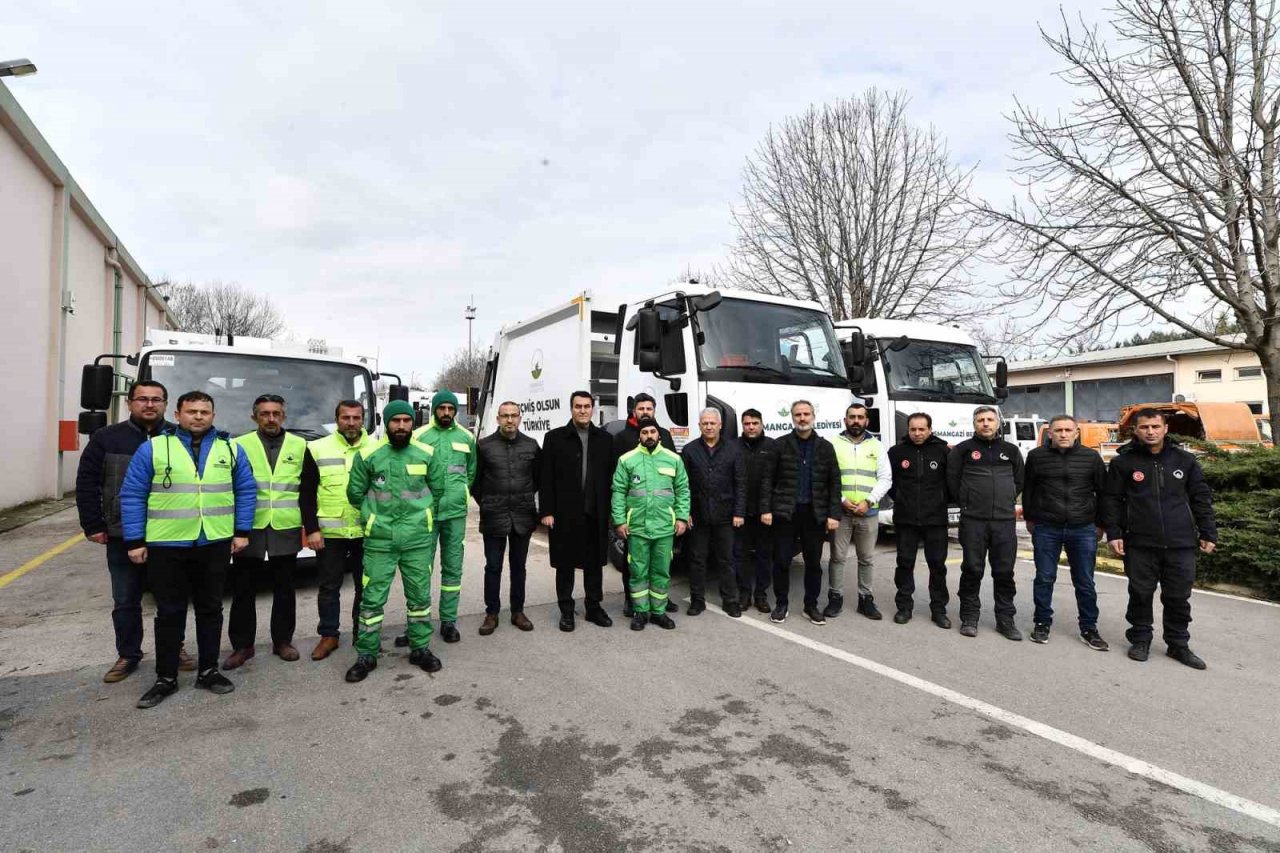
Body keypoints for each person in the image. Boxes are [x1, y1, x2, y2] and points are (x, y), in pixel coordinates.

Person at [119, 391, 257, 709]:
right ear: (178, 414)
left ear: (213, 415)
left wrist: (242, 532)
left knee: (210, 609)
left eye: (204, 412)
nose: (198, 417)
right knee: (169, 613)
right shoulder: (153, 448)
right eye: (191, 411)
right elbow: (133, 495)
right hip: (167, 544)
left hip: (215, 542)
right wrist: (135, 540)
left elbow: (246, 490)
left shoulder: (230, 449)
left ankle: (208, 671)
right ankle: (165, 678)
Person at [75, 380, 193, 682]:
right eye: (142, 399)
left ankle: (174, 647)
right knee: (126, 599)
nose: (149, 405)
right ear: (129, 403)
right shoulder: (106, 438)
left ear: (167, 405)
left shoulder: (181, 438)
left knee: (171, 598)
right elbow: (87, 483)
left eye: (156, 399)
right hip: (122, 534)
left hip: (169, 533)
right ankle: (128, 654)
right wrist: (93, 525)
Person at [1103, 409, 1217, 669]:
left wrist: (1208, 531)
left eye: (1155, 426)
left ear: (1165, 428)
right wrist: (1114, 533)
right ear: (1136, 430)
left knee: (1178, 596)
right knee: (1140, 593)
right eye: (1144, 427)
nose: (1150, 432)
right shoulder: (1124, 463)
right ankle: (1140, 639)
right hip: (1140, 542)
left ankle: (1178, 645)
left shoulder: (1185, 461)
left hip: (1180, 542)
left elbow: (1200, 498)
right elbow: (1112, 501)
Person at [344, 400, 444, 682]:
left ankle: (420, 648)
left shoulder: (427, 453)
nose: (401, 426)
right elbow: (355, 494)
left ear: (413, 422)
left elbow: (437, 490)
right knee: (372, 599)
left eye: (406, 420)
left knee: (420, 598)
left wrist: (420, 518)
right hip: (380, 540)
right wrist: (373, 518)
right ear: (386, 423)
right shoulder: (368, 454)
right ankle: (367, 654)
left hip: (417, 540)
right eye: (395, 421)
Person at [222, 395, 319, 669]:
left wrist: (310, 528)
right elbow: (229, 488)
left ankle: (282, 641)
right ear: (254, 417)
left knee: (285, 589)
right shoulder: (238, 445)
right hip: (248, 528)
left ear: (284, 417)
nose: (271, 418)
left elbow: (308, 490)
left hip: (285, 527)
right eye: (264, 414)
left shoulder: (301, 446)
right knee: (243, 589)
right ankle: (242, 646)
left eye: (276, 413)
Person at [1023, 415, 1109, 650]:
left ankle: (1089, 628)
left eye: (1067, 430)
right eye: (1058, 430)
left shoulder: (1091, 458)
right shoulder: (1036, 457)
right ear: (1049, 433)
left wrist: (1101, 524)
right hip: (1046, 527)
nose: (1063, 434)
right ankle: (1042, 623)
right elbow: (1028, 489)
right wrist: (1031, 518)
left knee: (1084, 581)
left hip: (1082, 528)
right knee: (1044, 578)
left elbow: (1104, 493)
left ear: (1076, 432)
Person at [539, 391, 616, 632]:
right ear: (571, 409)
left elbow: (613, 478)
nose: (582, 410)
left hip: (595, 512)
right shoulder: (555, 438)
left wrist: (613, 511)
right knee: (565, 564)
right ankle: (566, 611)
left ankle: (594, 607)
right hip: (564, 513)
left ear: (593, 409)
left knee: (594, 564)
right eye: (577, 406)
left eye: (586, 406)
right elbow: (546, 478)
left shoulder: (604, 439)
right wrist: (547, 511)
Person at [947, 406, 1025, 640]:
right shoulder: (962, 451)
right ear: (974, 424)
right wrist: (968, 503)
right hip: (973, 521)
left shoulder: (1011, 450)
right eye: (980, 420)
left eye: (990, 419)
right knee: (972, 569)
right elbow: (952, 482)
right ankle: (969, 617)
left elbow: (1019, 481)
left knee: (1004, 572)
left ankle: (1005, 620)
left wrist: (1006, 499)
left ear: (997, 423)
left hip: (1004, 522)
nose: (986, 424)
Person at [306, 400, 373, 660]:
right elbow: (307, 493)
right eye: (346, 418)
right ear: (337, 420)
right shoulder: (317, 448)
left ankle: (362, 633)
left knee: (365, 587)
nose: (351, 423)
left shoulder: (377, 448)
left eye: (356, 418)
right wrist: (311, 529)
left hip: (366, 531)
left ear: (363, 419)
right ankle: (329, 635)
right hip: (330, 533)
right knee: (329, 586)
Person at [408, 390, 476, 645]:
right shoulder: (419, 435)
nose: (446, 412)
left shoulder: (466, 437)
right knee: (419, 570)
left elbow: (471, 472)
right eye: (441, 408)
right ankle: (416, 623)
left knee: (452, 569)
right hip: (424, 514)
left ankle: (448, 621)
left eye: (450, 408)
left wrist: (461, 493)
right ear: (434, 409)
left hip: (455, 513)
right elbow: (410, 473)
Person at [764, 401, 841, 626]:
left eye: (806, 414)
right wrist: (766, 509)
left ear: (813, 416)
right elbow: (768, 480)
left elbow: (835, 482)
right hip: (785, 513)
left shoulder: (825, 447)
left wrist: (833, 514)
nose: (802, 418)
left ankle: (811, 606)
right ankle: (781, 604)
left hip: (814, 514)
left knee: (814, 563)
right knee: (781, 561)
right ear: (792, 417)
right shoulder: (780, 445)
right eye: (798, 414)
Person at [612, 418, 690, 630]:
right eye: (645, 432)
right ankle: (640, 611)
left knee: (661, 571)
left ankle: (659, 612)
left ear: (659, 435)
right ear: (640, 436)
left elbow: (683, 490)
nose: (649, 436)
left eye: (652, 432)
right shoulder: (627, 460)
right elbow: (618, 492)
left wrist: (682, 517)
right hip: (637, 527)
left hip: (665, 527)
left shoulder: (673, 459)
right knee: (638, 571)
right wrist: (619, 520)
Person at [473, 401, 540, 635]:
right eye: (505, 416)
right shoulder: (484, 446)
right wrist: (489, 502)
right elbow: (475, 482)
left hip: (522, 516)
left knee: (518, 567)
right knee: (493, 567)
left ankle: (517, 611)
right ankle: (491, 613)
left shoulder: (531, 446)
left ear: (520, 418)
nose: (509, 420)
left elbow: (537, 479)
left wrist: (521, 499)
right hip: (494, 516)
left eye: (514, 415)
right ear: (498, 419)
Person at [826, 403, 892, 620]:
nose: (856, 421)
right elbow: (827, 477)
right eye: (852, 417)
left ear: (867, 421)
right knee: (837, 557)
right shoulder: (833, 444)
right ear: (845, 420)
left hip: (868, 512)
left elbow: (885, 478)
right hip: (841, 512)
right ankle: (835, 598)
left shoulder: (877, 446)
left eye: (860, 417)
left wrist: (869, 501)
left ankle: (866, 600)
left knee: (866, 558)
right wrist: (842, 500)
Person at [886, 412, 952, 628]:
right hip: (906, 519)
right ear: (908, 429)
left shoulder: (943, 451)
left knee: (937, 566)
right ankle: (904, 607)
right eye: (913, 429)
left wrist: (940, 501)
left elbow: (951, 482)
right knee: (904, 564)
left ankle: (939, 610)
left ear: (930, 429)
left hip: (936, 520)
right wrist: (903, 500)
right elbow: (890, 483)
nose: (917, 433)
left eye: (921, 429)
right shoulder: (896, 452)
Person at [680, 408, 747, 617]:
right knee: (697, 559)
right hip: (698, 515)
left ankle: (730, 601)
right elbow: (683, 485)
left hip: (726, 515)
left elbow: (741, 483)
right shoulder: (690, 450)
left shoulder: (734, 449)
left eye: (712, 423)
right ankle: (697, 600)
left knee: (726, 560)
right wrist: (686, 512)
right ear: (699, 426)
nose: (708, 426)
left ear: (720, 425)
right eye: (705, 423)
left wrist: (738, 512)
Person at [735, 409, 775, 613]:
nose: (751, 427)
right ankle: (744, 594)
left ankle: (760, 594)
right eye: (747, 423)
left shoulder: (772, 446)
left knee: (764, 556)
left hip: (764, 514)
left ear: (761, 424)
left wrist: (769, 509)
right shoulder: (733, 446)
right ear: (742, 425)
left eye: (755, 423)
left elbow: (775, 480)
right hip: (740, 513)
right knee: (740, 555)